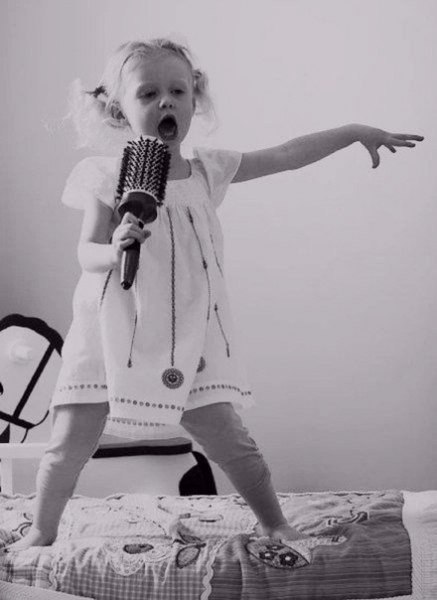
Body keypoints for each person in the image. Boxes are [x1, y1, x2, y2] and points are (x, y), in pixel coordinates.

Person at [4, 38, 423, 552]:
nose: (165, 101)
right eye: (148, 93)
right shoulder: (107, 175)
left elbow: (287, 155)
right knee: (68, 444)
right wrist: (114, 249)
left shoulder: (208, 170)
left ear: (194, 100)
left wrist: (354, 132)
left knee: (232, 441)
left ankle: (274, 522)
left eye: (177, 91)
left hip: (185, 335)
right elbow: (86, 252)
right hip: (111, 332)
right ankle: (42, 530)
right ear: (119, 109)